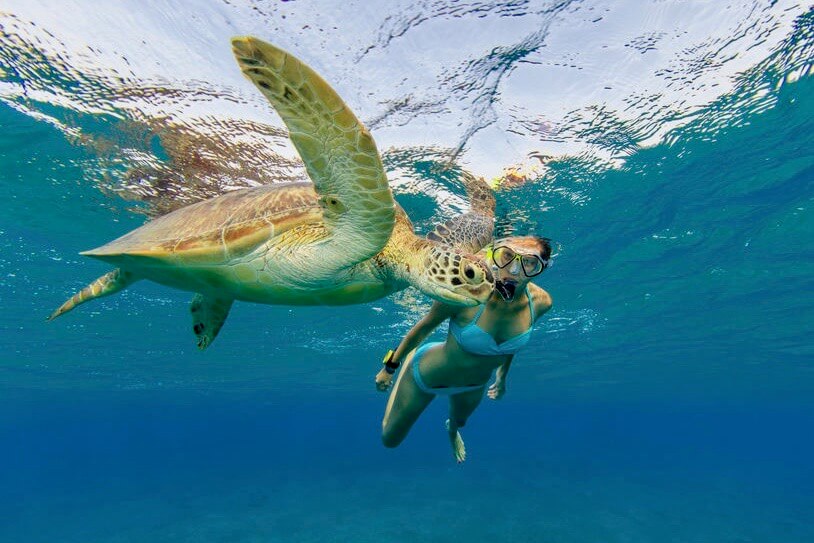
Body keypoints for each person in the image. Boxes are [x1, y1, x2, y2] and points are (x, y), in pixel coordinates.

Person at [375, 236, 553, 462]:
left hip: (474, 386)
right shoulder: (467, 290)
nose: (514, 269)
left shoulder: (541, 302)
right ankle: (410, 360)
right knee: (389, 439)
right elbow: (422, 329)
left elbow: (509, 346)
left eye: (529, 262)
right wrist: (389, 368)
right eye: (507, 256)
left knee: (459, 422)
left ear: (541, 268)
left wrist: (501, 377)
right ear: (495, 255)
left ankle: (452, 432)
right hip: (427, 375)